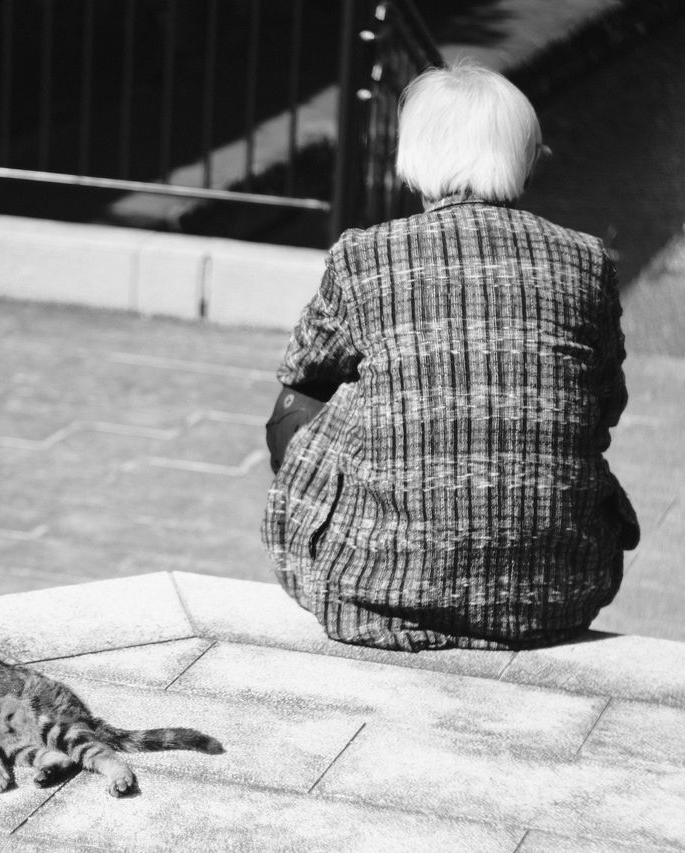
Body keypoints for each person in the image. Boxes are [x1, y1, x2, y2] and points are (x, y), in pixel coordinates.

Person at [262, 61, 639, 652]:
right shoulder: (588, 261)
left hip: (375, 595)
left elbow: (300, 383)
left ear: (411, 154)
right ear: (528, 155)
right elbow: (605, 409)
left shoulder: (366, 256)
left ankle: (381, 557)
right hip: (558, 596)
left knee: (330, 401)